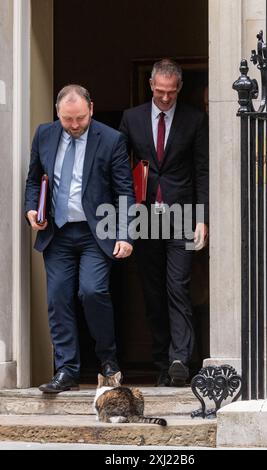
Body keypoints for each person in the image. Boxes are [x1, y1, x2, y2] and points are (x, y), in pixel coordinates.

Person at [25, 85, 135, 393]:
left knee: (92, 290)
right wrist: (31, 209)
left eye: (80, 119)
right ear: (58, 114)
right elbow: (34, 179)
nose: (74, 126)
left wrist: (125, 234)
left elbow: (125, 191)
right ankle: (67, 370)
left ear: (92, 109)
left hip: (95, 233)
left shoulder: (111, 139)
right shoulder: (44, 135)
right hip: (57, 232)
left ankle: (108, 361)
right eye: (68, 120)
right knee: (58, 298)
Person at [119, 59, 209, 386]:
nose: (166, 98)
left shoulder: (195, 121)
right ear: (151, 86)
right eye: (160, 92)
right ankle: (161, 361)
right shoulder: (131, 119)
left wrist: (202, 218)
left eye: (171, 92)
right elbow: (119, 169)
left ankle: (180, 359)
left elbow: (202, 171)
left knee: (179, 287)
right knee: (153, 292)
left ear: (179, 88)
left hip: (182, 214)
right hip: (145, 217)